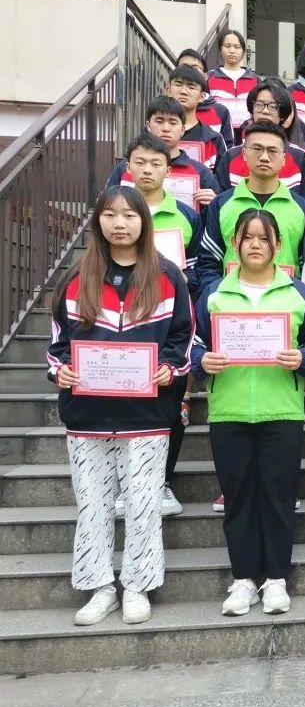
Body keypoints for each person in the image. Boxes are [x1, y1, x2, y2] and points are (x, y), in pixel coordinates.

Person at [47, 186, 193, 627]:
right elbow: (58, 344)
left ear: (143, 221)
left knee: (144, 504)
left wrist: (170, 369)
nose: (119, 223)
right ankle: (100, 588)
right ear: (98, 222)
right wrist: (61, 371)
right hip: (88, 416)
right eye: (110, 215)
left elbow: (182, 338)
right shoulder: (77, 277)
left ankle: (137, 586)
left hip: (146, 416)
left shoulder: (167, 276)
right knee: (92, 505)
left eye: (129, 215)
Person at [193, 209, 305, 618]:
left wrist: (302, 358)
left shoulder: (298, 293)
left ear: (278, 245)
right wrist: (202, 361)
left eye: (264, 238)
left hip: (281, 411)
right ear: (234, 243)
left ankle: (277, 579)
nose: (255, 244)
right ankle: (245, 579)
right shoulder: (214, 293)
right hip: (228, 411)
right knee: (238, 499)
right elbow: (194, 345)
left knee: (278, 497)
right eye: (247, 237)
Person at [118, 133, 201, 519]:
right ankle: (124, 483)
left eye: (156, 163)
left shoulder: (186, 215)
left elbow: (200, 270)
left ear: (170, 170)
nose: (147, 170)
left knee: (173, 404)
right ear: (127, 167)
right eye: (140, 162)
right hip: (120, 324)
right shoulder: (115, 210)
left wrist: (182, 281)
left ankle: (163, 481)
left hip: (171, 326)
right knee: (123, 401)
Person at [198, 121, 305, 319]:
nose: (264, 157)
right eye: (257, 149)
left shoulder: (302, 209)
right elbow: (208, 261)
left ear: (284, 159)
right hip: (230, 311)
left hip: (285, 311)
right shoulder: (221, 205)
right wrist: (217, 300)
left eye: (272, 151)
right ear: (243, 154)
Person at [107, 96, 220, 209]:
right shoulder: (125, 167)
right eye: (159, 121)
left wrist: (214, 202)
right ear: (148, 126)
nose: (166, 128)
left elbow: (215, 214)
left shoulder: (201, 172)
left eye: (173, 123)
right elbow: (106, 205)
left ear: (182, 130)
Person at [215, 79, 305, 203]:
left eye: (273, 106)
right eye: (259, 104)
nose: (265, 111)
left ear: (283, 115)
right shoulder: (230, 156)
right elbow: (221, 204)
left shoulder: (301, 157)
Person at [167, 65, 228, 171]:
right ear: (168, 90)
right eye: (178, 84)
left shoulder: (213, 139)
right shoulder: (152, 132)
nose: (184, 91)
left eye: (191, 87)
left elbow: (220, 178)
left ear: (202, 97)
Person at [178, 47, 234, 148]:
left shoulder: (220, 111)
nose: (188, 72)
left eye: (195, 68)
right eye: (183, 67)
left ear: (205, 76)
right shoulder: (161, 111)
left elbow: (227, 149)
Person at [207, 29, 259, 135]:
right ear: (220, 49)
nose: (232, 50)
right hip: (218, 134)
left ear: (243, 51)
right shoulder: (209, 77)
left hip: (249, 134)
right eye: (227, 46)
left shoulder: (255, 79)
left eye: (237, 47)